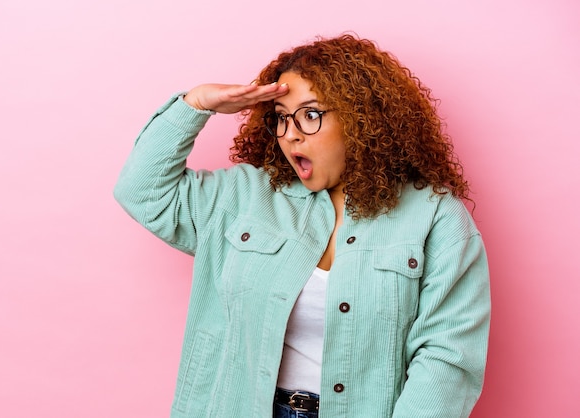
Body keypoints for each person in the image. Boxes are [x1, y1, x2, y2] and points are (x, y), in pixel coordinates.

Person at [114, 34, 490, 418]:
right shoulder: (245, 197)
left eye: (310, 115)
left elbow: (446, 360)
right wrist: (195, 105)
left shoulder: (435, 218)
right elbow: (141, 191)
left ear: (362, 120)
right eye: (280, 116)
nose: (290, 133)